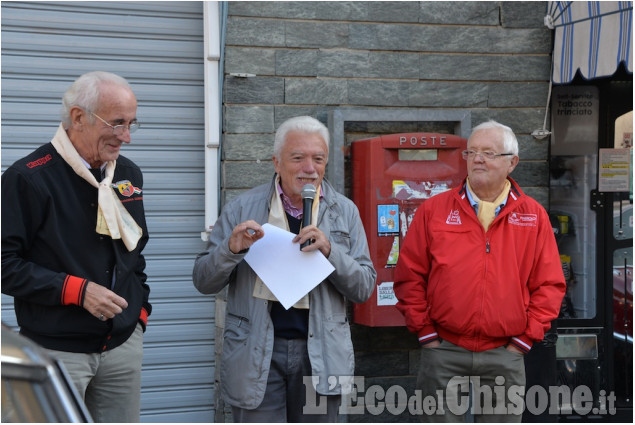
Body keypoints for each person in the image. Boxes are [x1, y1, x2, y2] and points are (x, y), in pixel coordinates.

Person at [192, 115, 376, 422]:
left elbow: (364, 288)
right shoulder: (242, 208)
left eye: (318, 159)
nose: (309, 169)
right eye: (298, 158)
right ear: (277, 163)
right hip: (256, 353)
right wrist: (231, 249)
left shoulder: (344, 212)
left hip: (322, 355)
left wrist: (330, 251)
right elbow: (203, 280)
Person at [1, 71, 151, 423]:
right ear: (78, 117)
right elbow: (4, 264)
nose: (126, 137)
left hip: (122, 347)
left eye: (131, 124)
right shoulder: (28, 178)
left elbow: (135, 254)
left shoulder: (128, 174)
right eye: (116, 124)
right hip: (56, 351)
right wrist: (76, 290)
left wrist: (139, 315)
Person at [393, 120, 566, 422]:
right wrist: (426, 333)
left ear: (512, 162)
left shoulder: (532, 216)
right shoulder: (434, 210)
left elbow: (549, 285)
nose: (477, 159)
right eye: (472, 152)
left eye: (488, 152)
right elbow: (410, 275)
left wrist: (524, 340)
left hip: (505, 352)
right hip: (444, 348)